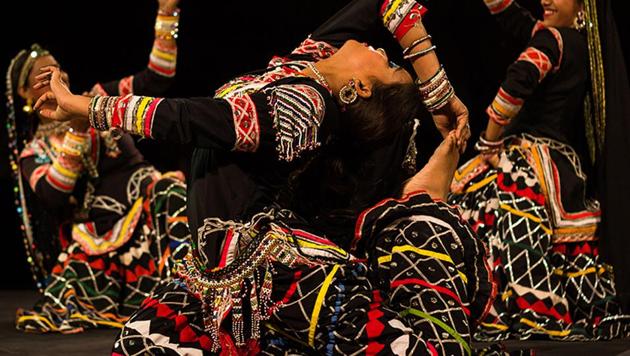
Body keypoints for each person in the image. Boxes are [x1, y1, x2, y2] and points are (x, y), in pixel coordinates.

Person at [35, 0, 492, 354]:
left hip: (266, 273)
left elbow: (198, 119)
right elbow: (380, 3)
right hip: (215, 280)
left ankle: (423, 198)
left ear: (358, 89)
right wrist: (438, 91)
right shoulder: (304, 68)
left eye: (389, 65)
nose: (381, 48)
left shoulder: (307, 107)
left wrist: (86, 108)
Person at [5, 0, 190, 334]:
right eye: (45, 75)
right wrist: (77, 127)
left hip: (152, 201)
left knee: (175, 190)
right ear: (23, 92)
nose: (57, 76)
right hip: (108, 230)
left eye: (58, 69)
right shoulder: (35, 151)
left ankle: (194, 291)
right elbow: (54, 194)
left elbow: (157, 78)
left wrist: (166, 13)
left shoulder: (96, 98)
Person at [449, 0, 630, 341]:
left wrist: (489, 142)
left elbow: (516, 83)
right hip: (561, 166)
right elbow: (511, 17)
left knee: (491, 215)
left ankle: (521, 312)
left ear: (583, 8)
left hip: (531, 160)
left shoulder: (554, 41)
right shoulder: (583, 47)